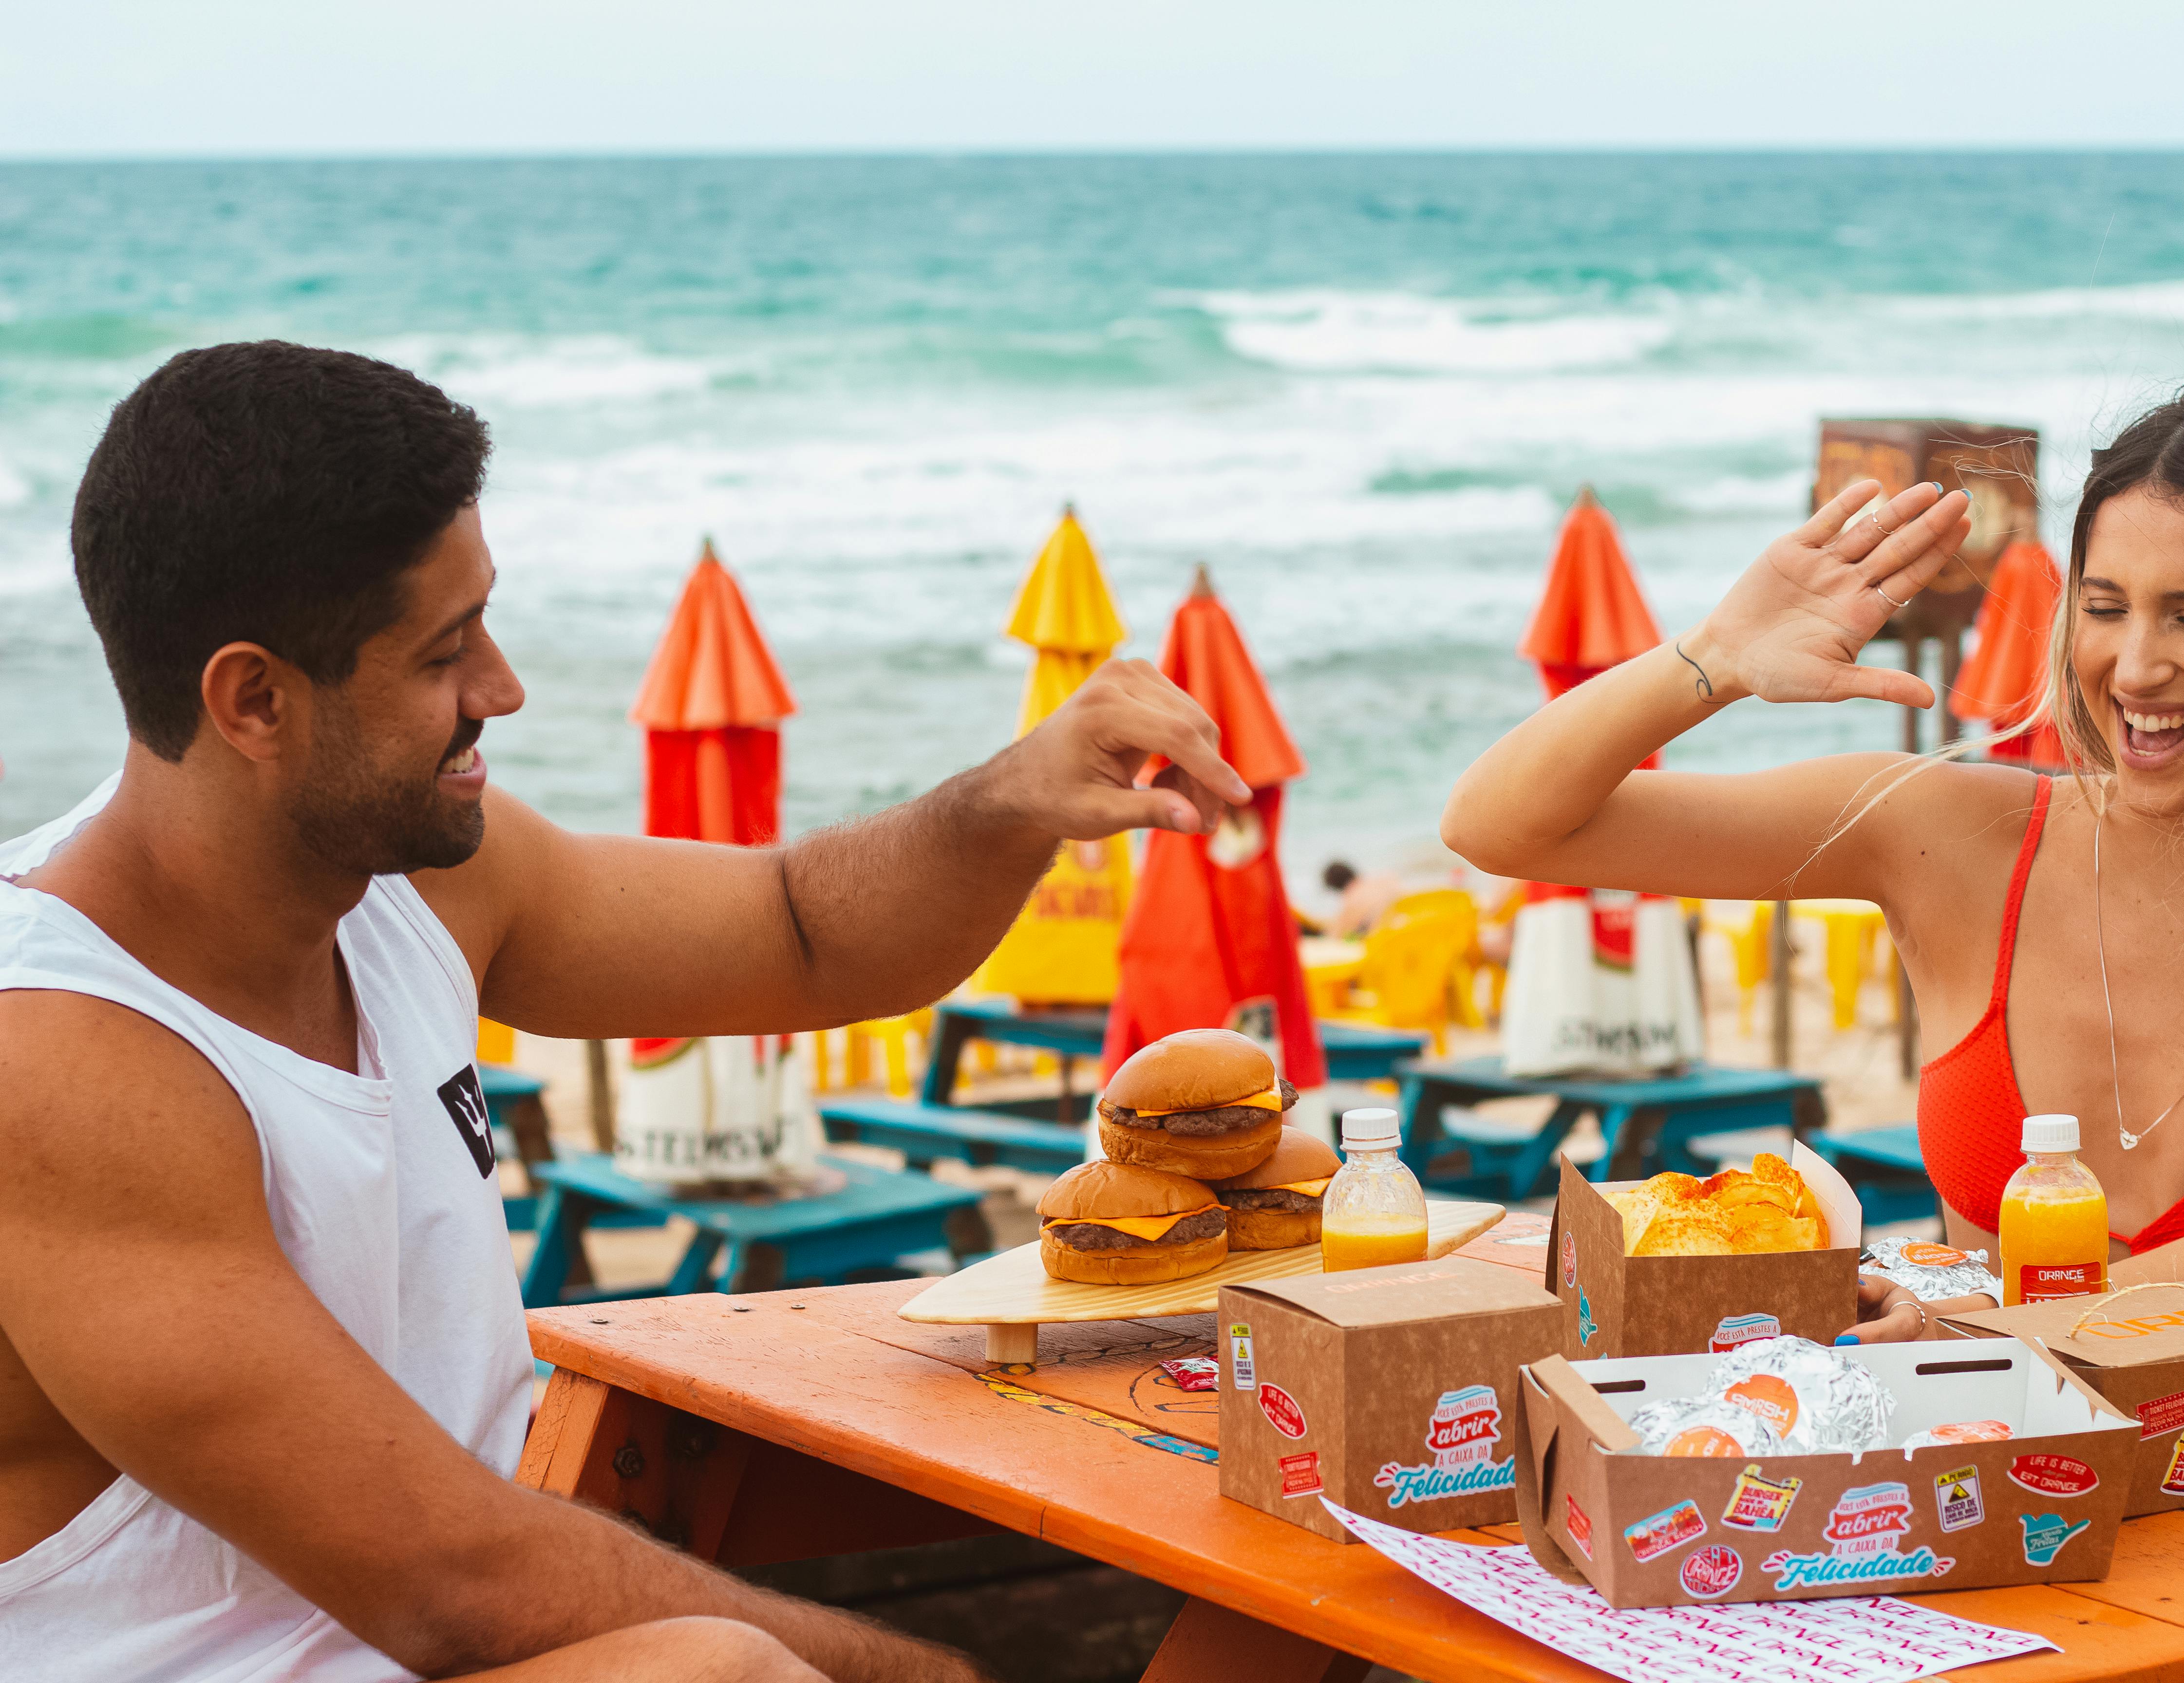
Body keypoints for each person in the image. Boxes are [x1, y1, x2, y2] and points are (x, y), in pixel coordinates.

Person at [0, 343, 1251, 1681]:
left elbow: (802, 929)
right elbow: (450, 1582)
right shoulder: (64, 1055)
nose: (503, 687)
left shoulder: (419, 888)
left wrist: (1008, 800)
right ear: (255, 700)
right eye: (446, 650)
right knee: (721, 1673)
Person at [1443, 381, 2184, 1342]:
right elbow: (1500, 826)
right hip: (1979, 1475)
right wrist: (1708, 664)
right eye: (2103, 606)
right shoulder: (1944, 833)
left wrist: (1957, 1334)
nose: (2134, 667)